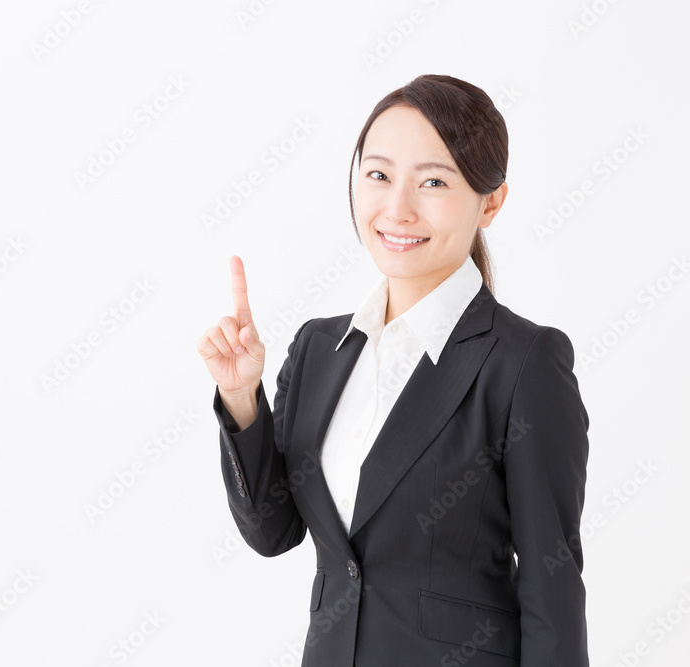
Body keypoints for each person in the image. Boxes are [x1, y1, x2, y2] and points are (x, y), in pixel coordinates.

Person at [197, 74, 590, 666]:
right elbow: (272, 531)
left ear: (491, 201)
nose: (398, 208)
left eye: (433, 181)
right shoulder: (318, 348)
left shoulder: (523, 362)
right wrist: (242, 397)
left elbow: (551, 588)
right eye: (379, 174)